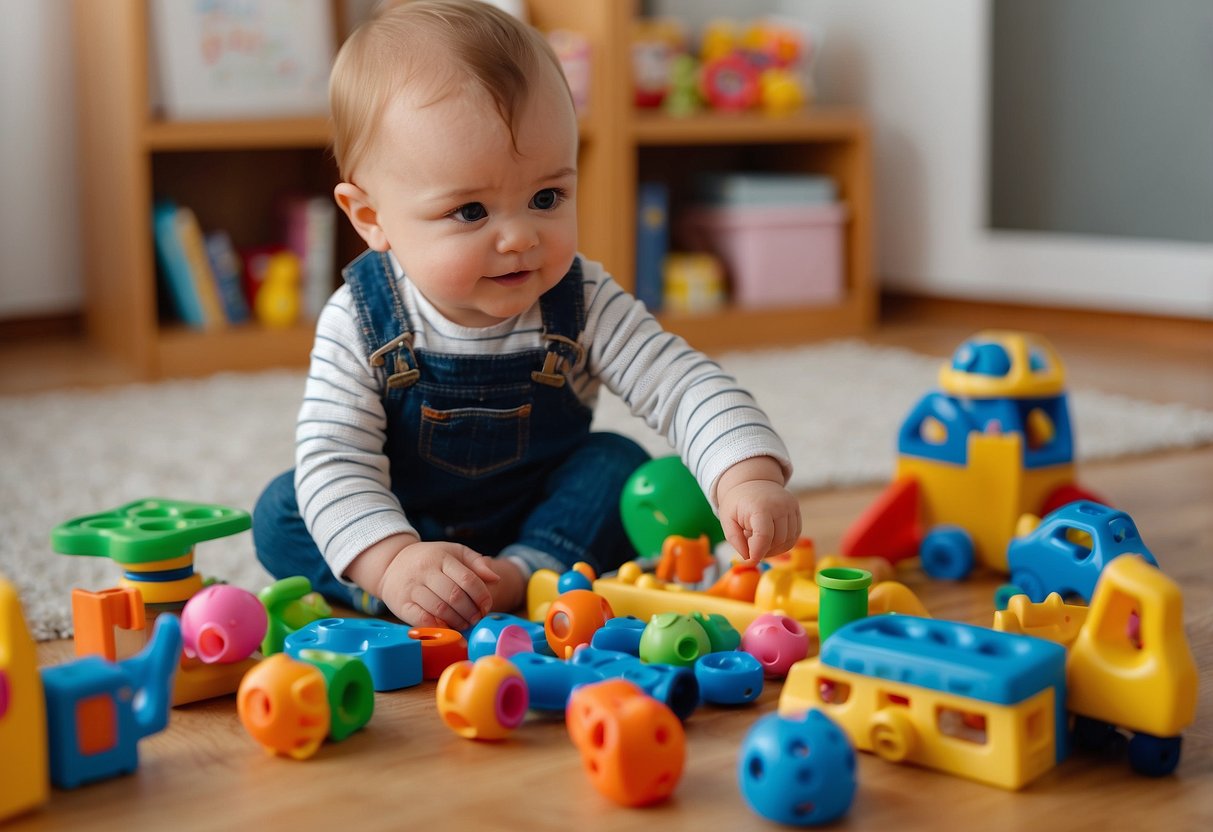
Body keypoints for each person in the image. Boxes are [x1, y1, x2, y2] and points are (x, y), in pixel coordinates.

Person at [252, 0, 801, 630]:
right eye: (471, 212)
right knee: (285, 509)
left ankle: (519, 578)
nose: (518, 238)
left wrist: (746, 476)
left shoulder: (581, 297)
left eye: (546, 197)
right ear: (371, 218)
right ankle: (403, 594)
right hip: (403, 519)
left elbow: (682, 383)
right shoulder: (360, 317)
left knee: (615, 465)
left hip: (540, 513)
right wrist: (392, 559)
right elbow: (337, 457)